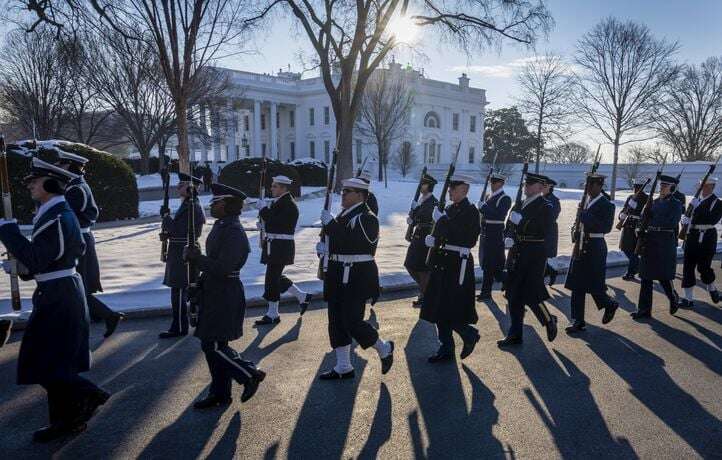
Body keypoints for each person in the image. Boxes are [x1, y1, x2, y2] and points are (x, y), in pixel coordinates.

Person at [0, 158, 110, 442]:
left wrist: (9, 234)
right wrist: (21, 268)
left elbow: (39, 257)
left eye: (34, 183)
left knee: (45, 362)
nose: (30, 188)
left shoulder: (60, 216)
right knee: (53, 362)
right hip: (55, 290)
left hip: (60, 294)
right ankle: (66, 419)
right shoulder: (53, 213)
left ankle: (88, 394)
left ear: (50, 183)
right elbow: (43, 260)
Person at [184, 183, 266, 409]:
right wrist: (198, 283)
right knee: (211, 344)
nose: (212, 206)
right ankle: (220, 393)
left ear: (228, 205)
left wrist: (197, 259)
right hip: (214, 289)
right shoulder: (222, 226)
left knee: (215, 346)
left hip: (225, 291)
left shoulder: (233, 232)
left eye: (216, 203)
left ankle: (249, 374)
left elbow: (223, 267)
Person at [317, 177, 394, 379]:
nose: (342, 195)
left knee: (352, 321)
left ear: (360, 195)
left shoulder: (368, 217)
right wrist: (324, 249)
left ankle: (384, 348)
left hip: (357, 275)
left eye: (347, 191)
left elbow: (356, 243)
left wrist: (331, 226)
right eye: (342, 191)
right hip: (336, 272)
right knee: (335, 320)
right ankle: (343, 366)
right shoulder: (343, 216)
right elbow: (338, 242)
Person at [55, 151, 124, 338]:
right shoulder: (76, 185)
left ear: (69, 166)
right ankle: (95, 314)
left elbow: (68, 217)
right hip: (83, 238)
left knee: (76, 284)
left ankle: (109, 315)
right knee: (80, 282)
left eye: (61, 164)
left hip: (79, 239)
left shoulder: (74, 189)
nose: (58, 166)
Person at [421, 173, 482, 362]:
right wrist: (434, 238)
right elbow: (444, 233)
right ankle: (446, 347)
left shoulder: (472, 212)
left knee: (451, 306)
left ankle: (468, 333)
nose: (449, 191)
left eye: (453, 189)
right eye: (450, 188)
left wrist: (443, 221)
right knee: (438, 306)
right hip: (443, 261)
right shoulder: (449, 208)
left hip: (458, 263)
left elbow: (467, 238)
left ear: (463, 190)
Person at [498, 173, 558, 347]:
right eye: (526, 184)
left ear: (540, 187)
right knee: (513, 295)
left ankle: (548, 321)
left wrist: (522, 222)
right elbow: (509, 226)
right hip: (517, 252)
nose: (527, 187)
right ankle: (515, 334)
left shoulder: (546, 206)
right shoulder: (518, 204)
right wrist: (508, 235)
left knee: (531, 293)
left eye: (531, 184)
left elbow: (543, 229)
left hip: (534, 254)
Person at [564, 174, 620, 333]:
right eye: (586, 185)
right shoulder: (586, 201)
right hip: (581, 244)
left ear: (599, 186)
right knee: (577, 285)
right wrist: (576, 231)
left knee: (594, 284)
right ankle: (578, 320)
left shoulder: (607, 205)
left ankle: (609, 304)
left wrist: (585, 216)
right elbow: (580, 222)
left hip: (595, 246)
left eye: (590, 185)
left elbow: (605, 227)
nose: (587, 188)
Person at [255, 175, 312, 325]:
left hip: (280, 246)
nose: (271, 188)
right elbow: (272, 223)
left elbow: (276, 223)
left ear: (283, 188)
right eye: (272, 185)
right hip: (274, 245)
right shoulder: (280, 202)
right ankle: (302, 296)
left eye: (274, 186)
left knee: (272, 279)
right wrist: (263, 225)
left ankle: (273, 314)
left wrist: (263, 210)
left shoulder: (288, 204)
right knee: (275, 277)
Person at [158, 173, 206, 338]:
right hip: (179, 249)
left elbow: (181, 230)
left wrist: (166, 219)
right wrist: (166, 234)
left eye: (182, 184)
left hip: (183, 251)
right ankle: (180, 324)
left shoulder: (192, 206)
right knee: (178, 290)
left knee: (179, 291)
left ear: (191, 187)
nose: (178, 187)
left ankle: (179, 327)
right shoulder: (187, 204)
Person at [632, 175, 684, 319]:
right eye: (661, 185)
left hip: (664, 241)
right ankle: (644, 309)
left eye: (665, 186)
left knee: (663, 276)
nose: (661, 188)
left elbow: (671, 222)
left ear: (672, 188)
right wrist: (640, 228)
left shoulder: (676, 204)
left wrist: (651, 217)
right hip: (650, 240)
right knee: (646, 276)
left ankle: (673, 297)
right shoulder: (653, 202)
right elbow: (642, 219)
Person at [679, 178, 722, 308]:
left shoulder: (717, 202)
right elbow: (689, 218)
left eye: (705, 186)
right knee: (688, 267)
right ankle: (688, 298)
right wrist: (685, 219)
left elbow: (712, 219)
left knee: (703, 267)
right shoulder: (695, 200)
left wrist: (697, 208)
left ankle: (712, 289)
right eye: (701, 186)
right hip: (692, 235)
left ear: (712, 187)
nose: (702, 188)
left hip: (707, 236)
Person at [403, 173, 438, 307]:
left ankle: (425, 295)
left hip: (425, 237)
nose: (420, 186)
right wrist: (411, 222)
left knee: (421, 269)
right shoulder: (422, 200)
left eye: (423, 184)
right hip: (418, 236)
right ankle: (427, 290)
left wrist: (415, 215)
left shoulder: (432, 202)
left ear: (428, 186)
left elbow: (426, 216)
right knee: (409, 264)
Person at [476, 172, 511, 300]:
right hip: (486, 233)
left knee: (491, 265)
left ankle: (488, 292)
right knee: (487, 264)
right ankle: (493, 289)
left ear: (501, 183)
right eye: (491, 182)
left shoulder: (505, 198)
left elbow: (499, 215)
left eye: (494, 182)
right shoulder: (488, 196)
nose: (492, 185)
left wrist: (484, 208)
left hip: (495, 234)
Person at [618, 178, 649, 281]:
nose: (636, 189)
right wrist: (621, 215)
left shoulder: (647, 198)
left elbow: (648, 214)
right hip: (627, 225)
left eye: (638, 187)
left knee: (635, 251)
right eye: (635, 187)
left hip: (638, 227)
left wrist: (637, 211)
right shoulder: (630, 197)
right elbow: (624, 209)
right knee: (625, 248)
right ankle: (639, 266)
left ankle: (631, 272)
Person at [542, 178, 561, 286]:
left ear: (550, 187)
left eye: (545, 186)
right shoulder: (539, 198)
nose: (542, 188)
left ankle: (550, 272)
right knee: (540, 256)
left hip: (549, 232)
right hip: (540, 231)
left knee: (545, 255)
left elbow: (552, 216)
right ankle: (550, 271)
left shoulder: (554, 201)